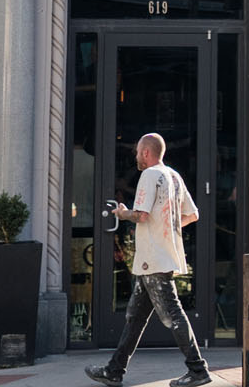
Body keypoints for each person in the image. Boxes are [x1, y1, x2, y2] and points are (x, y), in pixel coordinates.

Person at [86, 132, 212, 387]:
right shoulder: (173, 176)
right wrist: (169, 229)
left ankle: (198, 370)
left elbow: (141, 215)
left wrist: (122, 213)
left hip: (153, 259)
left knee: (172, 315)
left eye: (137, 152)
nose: (135, 156)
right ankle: (114, 371)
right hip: (158, 258)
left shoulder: (149, 175)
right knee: (135, 316)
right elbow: (193, 214)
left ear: (146, 153)